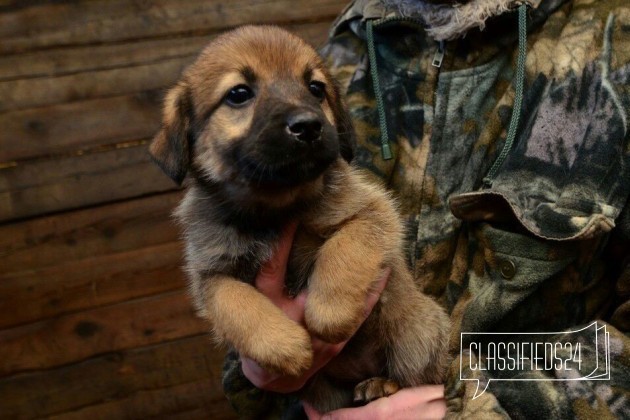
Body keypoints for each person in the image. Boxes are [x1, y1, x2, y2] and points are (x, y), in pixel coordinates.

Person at [222, 0, 630, 418]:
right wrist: (261, 367)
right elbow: (257, 276)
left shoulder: (615, 42)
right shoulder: (346, 49)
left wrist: (477, 406)